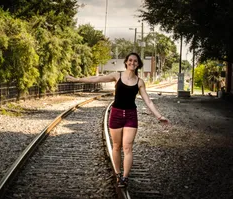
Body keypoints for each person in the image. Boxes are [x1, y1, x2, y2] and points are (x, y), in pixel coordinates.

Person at [66, 52, 169, 188]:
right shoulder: (117, 76)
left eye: (135, 61)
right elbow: (96, 79)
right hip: (116, 114)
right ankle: (118, 173)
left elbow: (148, 101)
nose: (132, 63)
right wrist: (76, 80)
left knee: (127, 147)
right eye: (130, 60)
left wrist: (159, 116)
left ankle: (125, 178)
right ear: (126, 62)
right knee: (116, 146)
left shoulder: (139, 82)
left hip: (131, 116)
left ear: (138, 64)